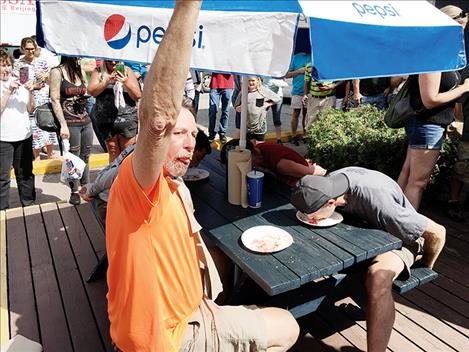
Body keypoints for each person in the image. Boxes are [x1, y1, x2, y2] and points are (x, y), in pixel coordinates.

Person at [105, 2, 299, 351]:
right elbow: (158, 116)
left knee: (222, 263)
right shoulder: (139, 185)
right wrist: (189, 6)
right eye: (177, 134)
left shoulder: (172, 185)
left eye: (193, 134)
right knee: (287, 326)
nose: (188, 143)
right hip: (169, 337)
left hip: (180, 314)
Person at [290, 167, 446, 352]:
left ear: (331, 202)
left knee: (377, 278)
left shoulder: (379, 203)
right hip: (367, 233)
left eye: (310, 215)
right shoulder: (330, 183)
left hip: (402, 238)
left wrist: (425, 265)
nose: (308, 218)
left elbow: (437, 232)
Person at [397, 6, 469, 210]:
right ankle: (405, 230)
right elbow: (430, 99)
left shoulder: (437, 51)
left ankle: (391, 220)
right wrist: (463, 88)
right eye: (460, 27)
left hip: (424, 124)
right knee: (417, 182)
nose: (462, 33)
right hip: (428, 124)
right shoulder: (435, 54)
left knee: (407, 174)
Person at [50, 56, 93, 206]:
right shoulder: (57, 71)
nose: (79, 58)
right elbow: (54, 99)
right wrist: (63, 124)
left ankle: (86, 187)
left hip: (85, 119)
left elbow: (85, 88)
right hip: (69, 121)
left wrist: (83, 98)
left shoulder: (79, 69)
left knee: (85, 156)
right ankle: (74, 191)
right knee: (73, 158)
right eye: (76, 55)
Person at [0, 50, 36, 210]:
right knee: (3, 177)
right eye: (2, 65)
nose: (6, 69)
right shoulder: (5, 86)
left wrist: (30, 90)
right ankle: (2, 211)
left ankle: (29, 206)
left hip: (24, 135)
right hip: (3, 138)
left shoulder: (19, 81)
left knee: (26, 173)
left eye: (8, 65)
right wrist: (8, 91)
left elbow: (31, 109)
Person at [88, 60, 141, 162]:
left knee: (128, 153)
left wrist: (126, 82)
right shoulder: (98, 71)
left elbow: (137, 95)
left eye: (116, 61)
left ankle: (126, 177)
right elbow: (91, 91)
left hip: (127, 119)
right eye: (110, 60)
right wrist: (106, 82)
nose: (113, 63)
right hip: (105, 120)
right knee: (112, 151)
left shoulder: (127, 71)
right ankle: (114, 177)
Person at [14, 36, 57, 161]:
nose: (30, 51)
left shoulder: (41, 62)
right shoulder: (20, 64)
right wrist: (33, 85)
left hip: (44, 99)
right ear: (22, 49)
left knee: (48, 127)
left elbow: (50, 81)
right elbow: (22, 84)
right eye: (27, 49)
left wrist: (44, 76)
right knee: (34, 129)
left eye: (32, 49)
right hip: (29, 100)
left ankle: (50, 155)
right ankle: (36, 157)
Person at [221, 139, 326, 187]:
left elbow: (312, 172)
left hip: (300, 187)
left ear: (254, 153)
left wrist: (320, 170)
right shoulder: (259, 153)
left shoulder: (280, 164)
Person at [234, 76, 281, 142]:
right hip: (247, 127)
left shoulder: (263, 90)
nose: (250, 82)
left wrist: (268, 104)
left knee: (260, 146)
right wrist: (238, 108)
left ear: (258, 81)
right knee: (250, 147)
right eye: (248, 81)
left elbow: (277, 98)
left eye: (253, 80)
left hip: (260, 126)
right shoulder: (243, 92)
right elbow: (236, 105)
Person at [302, 63, 337, 130]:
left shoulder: (332, 64)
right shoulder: (309, 66)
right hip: (314, 98)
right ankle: (309, 139)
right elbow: (306, 82)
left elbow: (342, 80)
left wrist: (333, 86)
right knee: (310, 122)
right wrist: (305, 95)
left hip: (329, 98)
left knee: (327, 122)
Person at [286, 51, 310, 145]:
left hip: (309, 92)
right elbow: (287, 74)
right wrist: (299, 71)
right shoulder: (296, 57)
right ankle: (293, 135)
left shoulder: (313, 56)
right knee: (295, 114)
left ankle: (305, 134)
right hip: (297, 91)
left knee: (306, 114)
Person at [208, 72, 234, 143]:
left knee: (225, 111)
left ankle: (222, 132)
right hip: (215, 83)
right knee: (212, 110)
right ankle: (211, 132)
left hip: (228, 83)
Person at [263, 78, 285, 143]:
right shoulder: (265, 69)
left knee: (277, 119)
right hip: (265, 96)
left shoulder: (279, 70)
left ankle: (279, 140)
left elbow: (283, 82)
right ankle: (261, 140)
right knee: (261, 118)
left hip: (278, 96)